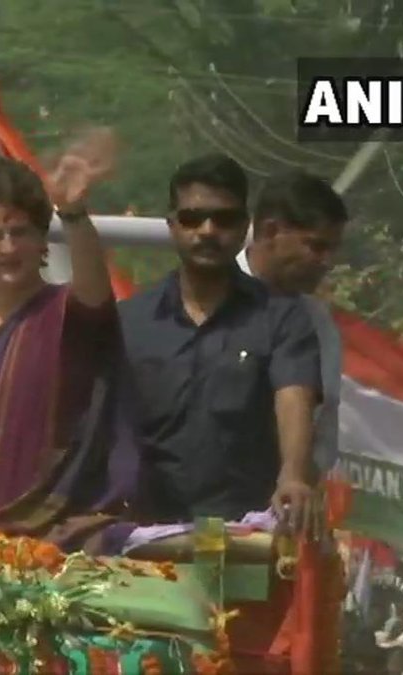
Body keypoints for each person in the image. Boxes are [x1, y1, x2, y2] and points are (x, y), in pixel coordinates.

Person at [0, 131, 142, 552]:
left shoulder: (66, 314)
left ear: (43, 239)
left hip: (60, 542)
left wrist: (73, 212)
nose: (8, 247)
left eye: (20, 232)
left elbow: (96, 289)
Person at [118, 154, 321, 531]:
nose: (208, 230)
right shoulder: (131, 320)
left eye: (224, 219)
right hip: (148, 539)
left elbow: (295, 396)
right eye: (192, 218)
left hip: (248, 535)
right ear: (172, 225)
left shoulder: (281, 317)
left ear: (244, 225)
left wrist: (293, 476)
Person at [238, 170, 348, 475]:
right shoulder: (205, 302)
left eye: (332, 250)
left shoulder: (319, 324)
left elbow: (322, 429)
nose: (327, 262)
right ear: (271, 231)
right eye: (315, 246)